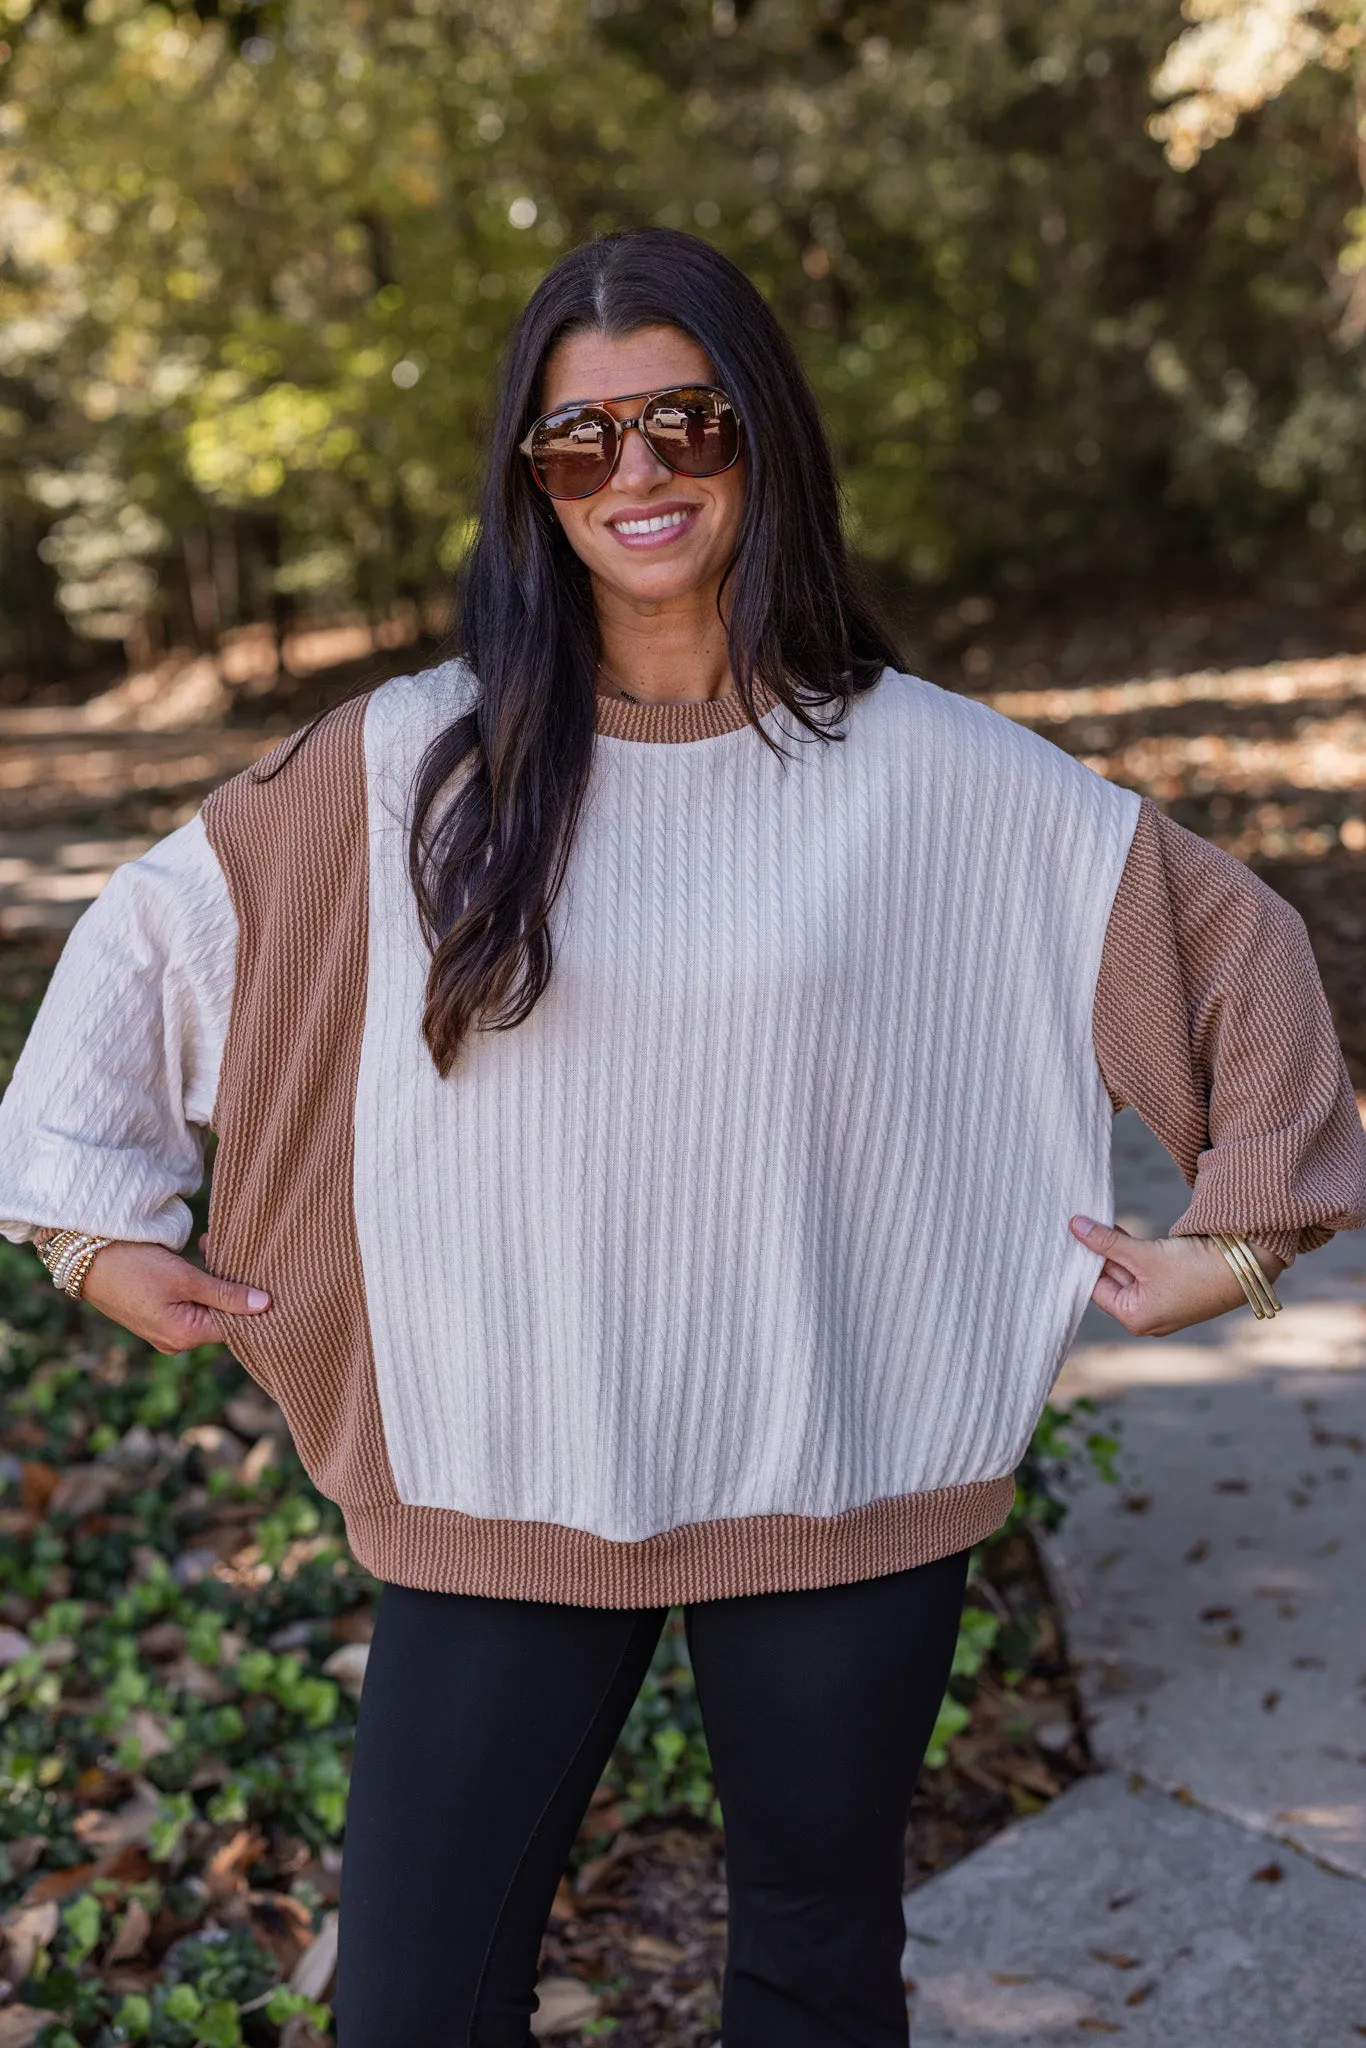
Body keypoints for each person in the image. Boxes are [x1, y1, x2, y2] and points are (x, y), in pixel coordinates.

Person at [2, 228, 1363, 2048]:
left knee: (812, 1976)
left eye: (683, 424)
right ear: (529, 482)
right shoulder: (411, 763)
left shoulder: (929, 772)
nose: (634, 475)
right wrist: (91, 1225)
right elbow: (147, 944)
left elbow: (1226, 945)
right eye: (580, 443)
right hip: (503, 1461)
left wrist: (1248, 1233)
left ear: (762, 441)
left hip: (839, 1455)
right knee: (413, 2002)